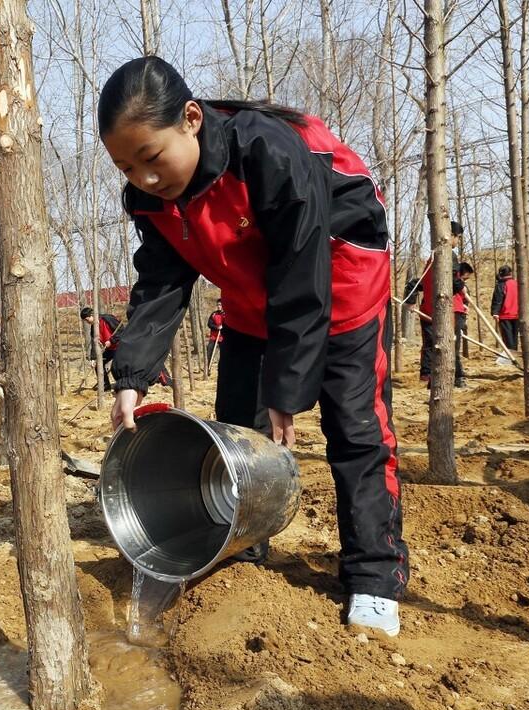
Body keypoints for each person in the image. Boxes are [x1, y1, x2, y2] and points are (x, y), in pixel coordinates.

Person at [98, 56, 408, 637]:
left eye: (151, 159)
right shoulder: (150, 199)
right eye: (125, 167)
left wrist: (286, 390)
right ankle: (243, 543)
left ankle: (374, 573)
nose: (144, 178)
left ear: (191, 120)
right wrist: (132, 378)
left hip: (339, 283)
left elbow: (301, 264)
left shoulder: (267, 151)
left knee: (356, 430)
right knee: (236, 427)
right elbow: (162, 285)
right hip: (250, 297)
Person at [413, 221, 467, 387]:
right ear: (450, 236)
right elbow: (450, 282)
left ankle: (430, 377)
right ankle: (456, 378)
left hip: (429, 309)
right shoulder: (449, 256)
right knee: (450, 345)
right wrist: (462, 286)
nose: (457, 242)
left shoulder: (432, 257)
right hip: (446, 310)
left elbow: (421, 283)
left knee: (433, 346)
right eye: (457, 237)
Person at [81, 307, 120, 390]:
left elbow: (121, 330)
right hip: (110, 350)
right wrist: (93, 358)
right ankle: (105, 386)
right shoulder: (93, 328)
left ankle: (122, 385)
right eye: (85, 321)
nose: (87, 322)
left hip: (121, 347)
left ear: (92, 315)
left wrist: (111, 341)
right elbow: (94, 344)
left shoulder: (108, 319)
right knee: (98, 363)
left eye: (87, 319)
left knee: (116, 366)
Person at [490, 265, 519, 351]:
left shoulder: (501, 285)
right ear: (510, 273)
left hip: (505, 315)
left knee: (507, 338)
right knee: (514, 336)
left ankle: (510, 356)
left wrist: (495, 312)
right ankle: (514, 353)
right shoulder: (517, 283)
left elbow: (498, 299)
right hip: (517, 314)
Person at [206, 299, 224, 370]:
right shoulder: (213, 314)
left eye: (220, 305)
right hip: (213, 336)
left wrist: (223, 327)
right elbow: (209, 324)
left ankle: (221, 368)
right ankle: (208, 367)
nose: (219, 306)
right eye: (218, 305)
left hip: (222, 337)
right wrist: (217, 327)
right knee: (209, 350)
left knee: (223, 353)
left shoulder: (225, 314)